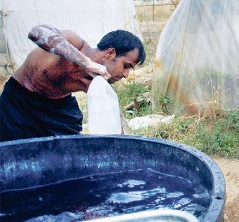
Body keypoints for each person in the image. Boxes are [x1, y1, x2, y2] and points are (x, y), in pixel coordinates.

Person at [0, 25, 145, 142]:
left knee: (70, 156)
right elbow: (36, 32)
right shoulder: (74, 43)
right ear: (110, 53)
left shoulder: (101, 82)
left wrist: (125, 143)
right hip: (20, 101)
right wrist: (86, 63)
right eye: (126, 66)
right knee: (14, 154)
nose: (126, 75)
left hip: (59, 110)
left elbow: (114, 118)